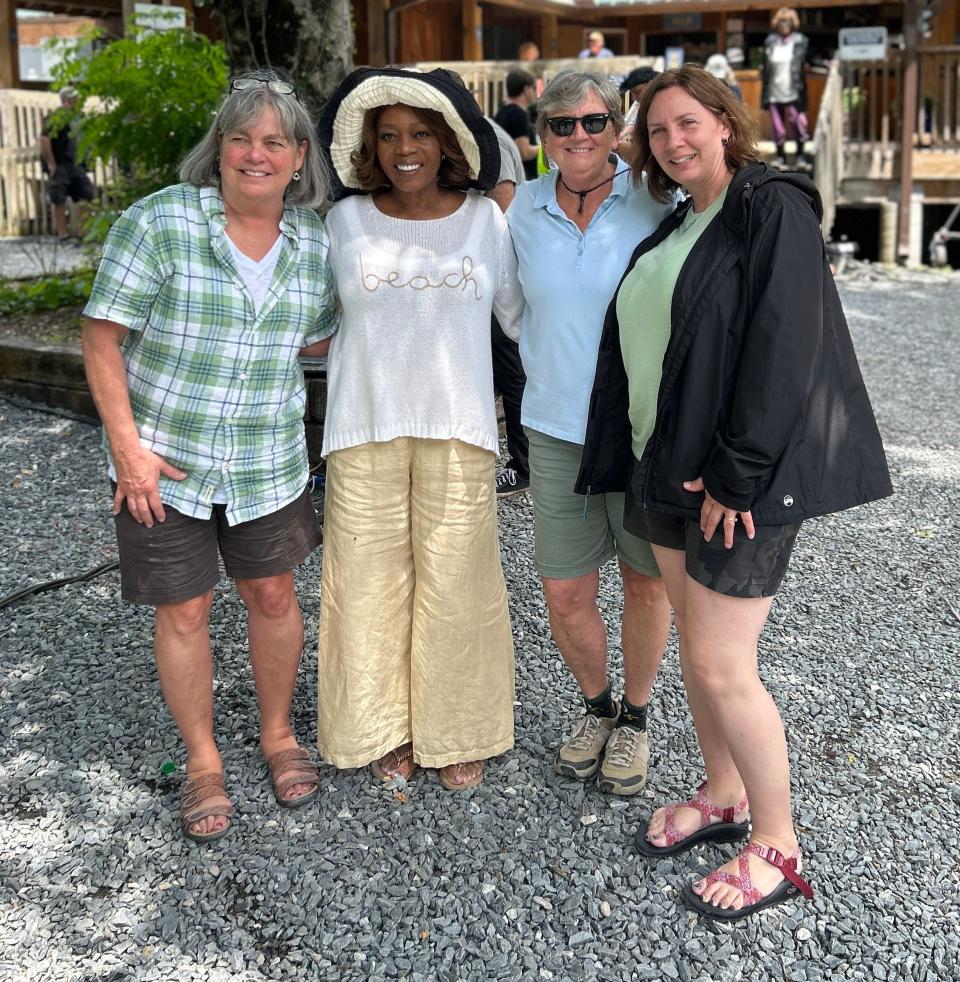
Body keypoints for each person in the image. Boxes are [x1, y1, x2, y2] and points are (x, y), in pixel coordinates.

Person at [577, 65, 892, 919]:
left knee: (723, 663)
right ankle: (723, 798)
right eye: (657, 132)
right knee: (695, 656)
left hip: (730, 484)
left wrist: (737, 471)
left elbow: (785, 346)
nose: (673, 143)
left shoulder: (770, 206)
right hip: (664, 469)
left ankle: (778, 845)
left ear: (724, 123)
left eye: (689, 124)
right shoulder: (684, 223)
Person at [81, 70, 335, 843]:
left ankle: (278, 736)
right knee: (185, 608)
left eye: (273, 143)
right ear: (218, 150)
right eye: (239, 139)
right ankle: (201, 759)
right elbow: (101, 337)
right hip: (166, 463)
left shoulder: (315, 241)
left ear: (299, 158)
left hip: (267, 461)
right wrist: (129, 453)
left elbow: (320, 336)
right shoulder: (159, 223)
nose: (255, 156)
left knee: (273, 599)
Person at [315, 67, 524, 791]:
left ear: (447, 144)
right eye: (391, 134)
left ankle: (458, 728)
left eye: (421, 133)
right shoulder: (342, 222)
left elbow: (523, 317)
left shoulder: (484, 221)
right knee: (365, 588)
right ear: (372, 146)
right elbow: (307, 323)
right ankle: (379, 728)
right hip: (361, 425)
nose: (406, 148)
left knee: (459, 585)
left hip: (459, 425)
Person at [505, 70, 674, 796]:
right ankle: (596, 707)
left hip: (641, 429)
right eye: (561, 125)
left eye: (594, 122)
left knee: (644, 578)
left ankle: (635, 718)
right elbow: (512, 311)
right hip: (555, 424)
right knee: (566, 589)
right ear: (541, 135)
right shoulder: (521, 209)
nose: (579, 136)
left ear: (618, 127)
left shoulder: (654, 197)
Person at [484, 116, 531, 498]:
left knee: (511, 369)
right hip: (485, 276)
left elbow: (504, 208)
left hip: (498, 274)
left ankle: (523, 464)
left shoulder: (488, 138)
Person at [38, 86, 95, 241]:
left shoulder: (79, 118)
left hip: (77, 163)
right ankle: (63, 234)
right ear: (66, 100)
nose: (76, 101)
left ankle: (84, 233)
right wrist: (51, 163)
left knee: (85, 195)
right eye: (73, 99)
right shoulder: (55, 117)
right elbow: (44, 139)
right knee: (59, 198)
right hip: (61, 162)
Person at [762, 7, 814, 167]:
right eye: (781, 21)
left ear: (793, 23)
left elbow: (809, 60)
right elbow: (765, 67)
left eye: (788, 21)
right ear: (776, 24)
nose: (784, 24)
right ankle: (781, 157)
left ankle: (801, 156)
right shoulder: (770, 42)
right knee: (778, 126)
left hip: (793, 89)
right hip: (773, 90)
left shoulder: (800, 41)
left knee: (798, 121)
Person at [494, 70, 540, 181]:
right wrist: (543, 148)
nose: (535, 92)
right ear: (526, 89)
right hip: (522, 179)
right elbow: (525, 153)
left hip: (505, 175)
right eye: (533, 88)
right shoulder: (519, 114)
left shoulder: (502, 111)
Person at [618, 66, 659, 159]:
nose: (633, 98)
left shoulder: (663, 105)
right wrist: (625, 132)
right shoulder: (644, 105)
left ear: (651, 84)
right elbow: (639, 123)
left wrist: (634, 151)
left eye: (637, 92)